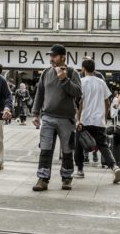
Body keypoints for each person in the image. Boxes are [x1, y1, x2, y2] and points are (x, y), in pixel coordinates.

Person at [30, 44, 83, 191]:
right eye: (50, 56)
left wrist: (64, 79)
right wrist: (35, 113)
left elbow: (78, 92)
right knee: (45, 149)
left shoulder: (72, 72)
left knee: (67, 150)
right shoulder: (46, 72)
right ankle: (43, 179)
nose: (51, 58)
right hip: (47, 117)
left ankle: (66, 178)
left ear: (63, 57)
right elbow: (40, 93)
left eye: (54, 56)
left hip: (66, 119)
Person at [76, 58, 120, 183]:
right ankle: (114, 166)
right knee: (103, 145)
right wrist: (105, 116)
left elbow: (79, 103)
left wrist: (77, 120)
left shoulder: (81, 82)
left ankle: (80, 170)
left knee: (79, 144)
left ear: (83, 69)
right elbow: (107, 102)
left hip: (85, 119)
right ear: (94, 69)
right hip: (98, 120)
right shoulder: (101, 82)